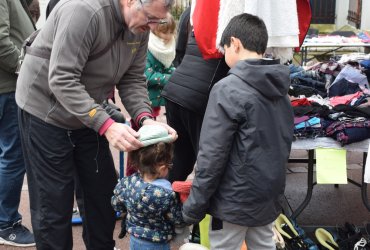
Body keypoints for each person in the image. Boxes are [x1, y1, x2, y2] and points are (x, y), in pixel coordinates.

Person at [15, 0, 177, 249]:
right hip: (44, 112)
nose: (152, 26)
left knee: (102, 197)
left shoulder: (140, 27)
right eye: (149, 18)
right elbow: (62, 78)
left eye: (158, 20)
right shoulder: (83, 11)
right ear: (131, 1)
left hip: (88, 112)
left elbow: (132, 79)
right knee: (53, 205)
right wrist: (107, 125)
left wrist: (145, 120)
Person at [182, 13, 294, 250]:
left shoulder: (228, 89)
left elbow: (212, 155)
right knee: (264, 244)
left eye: (224, 50)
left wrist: (193, 207)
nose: (223, 57)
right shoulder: (281, 88)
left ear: (235, 43)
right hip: (267, 196)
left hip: (232, 200)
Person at [161, 10, 229, 183]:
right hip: (200, 96)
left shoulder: (194, 10)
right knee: (205, 162)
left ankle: (172, 205)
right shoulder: (232, 11)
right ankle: (195, 209)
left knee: (180, 159)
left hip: (176, 90)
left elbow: (180, 51)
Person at [111, 124, 183, 250]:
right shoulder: (166, 193)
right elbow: (176, 218)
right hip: (158, 242)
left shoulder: (127, 182)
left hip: (135, 237)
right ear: (162, 168)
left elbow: (116, 203)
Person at [0, 0, 36, 247]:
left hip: (8, 88)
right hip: (7, 88)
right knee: (13, 157)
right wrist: (26, 68)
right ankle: (6, 223)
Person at [145, 14, 176, 119]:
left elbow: (168, 66)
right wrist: (171, 78)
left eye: (171, 32)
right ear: (155, 31)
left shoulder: (166, 48)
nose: (168, 35)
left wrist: (176, 73)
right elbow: (147, 76)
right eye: (164, 32)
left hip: (156, 96)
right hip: (144, 97)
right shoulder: (148, 47)